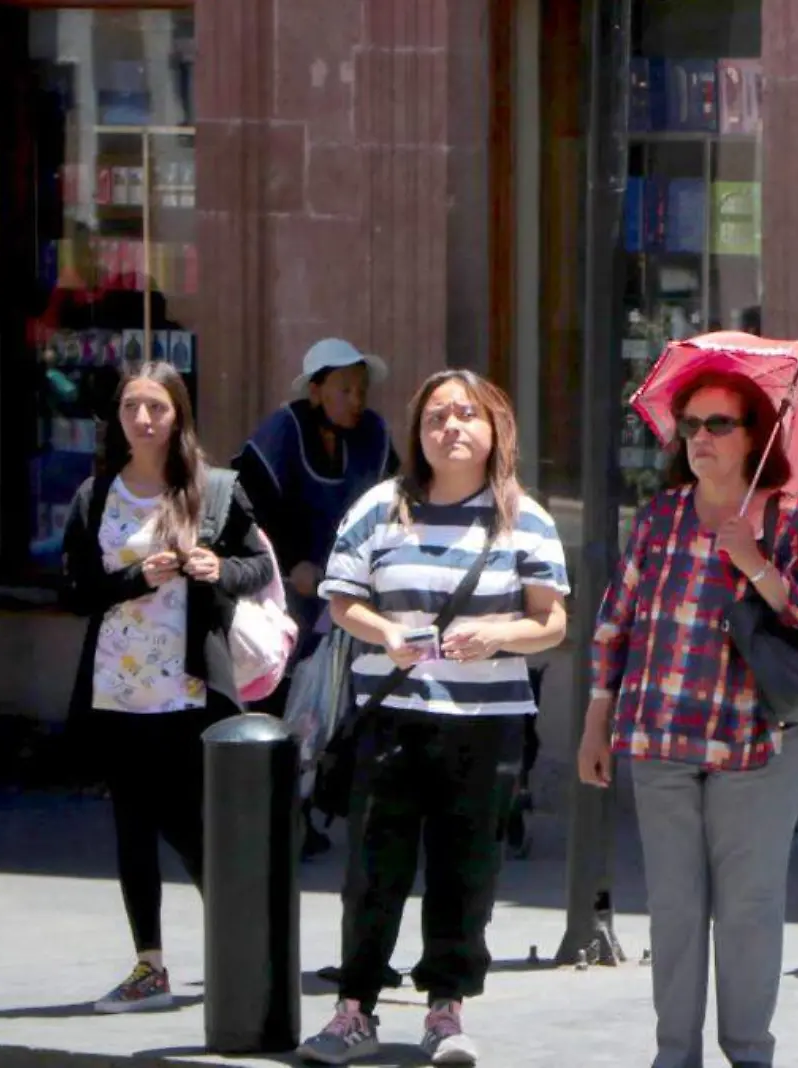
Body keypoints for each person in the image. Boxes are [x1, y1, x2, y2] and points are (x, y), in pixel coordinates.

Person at [299, 370, 570, 1065]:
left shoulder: (525, 518)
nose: (451, 428)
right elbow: (340, 602)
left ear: (493, 430)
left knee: (465, 868)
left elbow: (552, 623)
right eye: (435, 418)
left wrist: (498, 635)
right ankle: (353, 1009)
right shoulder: (380, 507)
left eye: (466, 416)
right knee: (373, 867)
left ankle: (445, 1012)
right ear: (418, 434)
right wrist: (384, 632)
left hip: (486, 723)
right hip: (391, 714)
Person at [577, 370, 798, 1068]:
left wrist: (756, 565)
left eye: (719, 424)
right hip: (659, 732)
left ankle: (749, 1052)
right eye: (690, 425)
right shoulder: (661, 516)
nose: (700, 439)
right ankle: (674, 1055)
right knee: (674, 907)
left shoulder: (790, 519)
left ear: (756, 435)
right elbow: (615, 622)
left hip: (759, 743)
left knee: (749, 907)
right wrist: (596, 720)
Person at [65, 362, 275, 1014]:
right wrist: (136, 580)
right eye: (133, 407)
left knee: (190, 822)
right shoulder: (95, 495)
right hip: (116, 688)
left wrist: (215, 568)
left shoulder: (210, 491)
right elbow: (73, 590)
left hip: (187, 688)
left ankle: (244, 947)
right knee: (132, 824)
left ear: (178, 414)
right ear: (118, 417)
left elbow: (257, 565)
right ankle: (148, 965)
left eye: (157, 407)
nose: (145, 419)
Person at [233, 337, 397, 851]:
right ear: (316, 390)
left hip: (349, 596)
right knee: (287, 703)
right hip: (288, 595)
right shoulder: (282, 434)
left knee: (340, 706)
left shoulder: (372, 435)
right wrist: (287, 565)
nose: (356, 399)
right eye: (345, 389)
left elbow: (395, 501)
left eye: (361, 389)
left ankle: (317, 805)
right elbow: (245, 512)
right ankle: (278, 819)